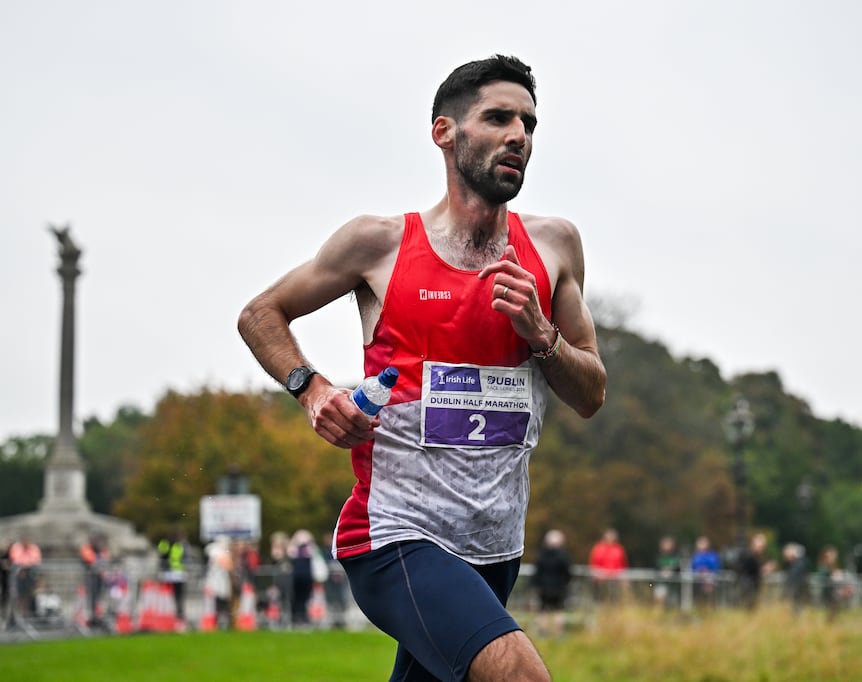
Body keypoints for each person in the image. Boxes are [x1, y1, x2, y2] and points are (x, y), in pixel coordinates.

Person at [237, 54, 606, 682]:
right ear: (445, 132)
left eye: (529, 124)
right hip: (395, 536)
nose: (519, 135)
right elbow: (261, 314)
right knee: (520, 676)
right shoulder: (379, 244)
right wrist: (313, 389)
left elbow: (591, 391)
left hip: (495, 546)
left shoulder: (554, 245)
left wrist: (541, 335)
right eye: (498, 118)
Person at [531, 529, 572, 638]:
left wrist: (536, 585)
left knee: (542, 610)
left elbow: (537, 571)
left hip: (543, 587)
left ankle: (542, 632)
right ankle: (559, 634)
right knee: (558, 610)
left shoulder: (541, 555)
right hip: (559, 587)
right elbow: (567, 572)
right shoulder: (563, 556)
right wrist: (566, 583)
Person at [157, 527, 190, 624]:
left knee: (170, 594)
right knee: (178, 595)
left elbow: (161, 554)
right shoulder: (180, 544)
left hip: (169, 572)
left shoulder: (165, 543)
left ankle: (174, 614)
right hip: (176, 572)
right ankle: (177, 614)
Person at [588, 529, 628, 603]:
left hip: (614, 579)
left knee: (613, 599)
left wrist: (623, 578)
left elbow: (623, 564)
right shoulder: (598, 548)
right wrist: (596, 575)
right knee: (599, 599)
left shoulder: (619, 549)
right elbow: (593, 563)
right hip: (600, 579)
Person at [79, 534, 111, 627]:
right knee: (91, 598)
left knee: (100, 599)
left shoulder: (101, 551)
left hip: (100, 579)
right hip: (91, 579)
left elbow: (105, 560)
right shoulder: (86, 549)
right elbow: (92, 561)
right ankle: (91, 617)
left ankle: (98, 617)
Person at [204, 536, 234, 630]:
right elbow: (228, 565)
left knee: (220, 604)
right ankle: (220, 623)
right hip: (218, 583)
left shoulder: (216, 551)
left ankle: (221, 622)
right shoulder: (218, 552)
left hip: (218, 582)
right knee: (219, 604)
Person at [9, 534, 42, 616]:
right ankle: (20, 613)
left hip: (30, 575)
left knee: (30, 595)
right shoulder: (16, 548)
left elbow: (36, 560)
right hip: (19, 575)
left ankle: (27, 613)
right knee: (20, 595)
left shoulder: (34, 548)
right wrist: (23, 567)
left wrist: (26, 566)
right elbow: (15, 560)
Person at [735, 533, 769, 610]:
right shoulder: (748, 555)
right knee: (747, 606)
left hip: (753, 586)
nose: (762, 548)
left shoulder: (758, 556)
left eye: (763, 546)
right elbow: (751, 569)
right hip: (747, 586)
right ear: (753, 544)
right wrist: (764, 569)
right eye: (761, 546)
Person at [690, 536, 721, 612]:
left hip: (710, 579)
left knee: (709, 593)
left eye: (703, 543)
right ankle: (699, 608)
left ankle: (710, 608)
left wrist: (707, 570)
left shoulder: (712, 555)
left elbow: (715, 567)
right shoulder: (696, 556)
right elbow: (693, 567)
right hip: (697, 580)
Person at [652, 536, 681, 610]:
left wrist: (671, 570)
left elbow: (678, 569)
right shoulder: (658, 557)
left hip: (673, 585)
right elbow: (655, 568)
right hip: (661, 584)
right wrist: (662, 571)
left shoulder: (676, 557)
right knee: (660, 600)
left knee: (673, 606)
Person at [781, 542, 809, 616]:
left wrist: (786, 593)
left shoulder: (798, 564)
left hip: (796, 595)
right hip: (797, 595)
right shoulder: (795, 564)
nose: (785, 555)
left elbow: (793, 580)